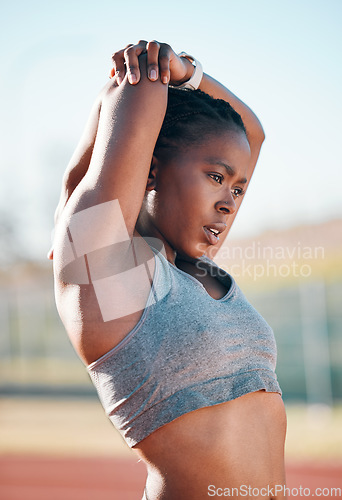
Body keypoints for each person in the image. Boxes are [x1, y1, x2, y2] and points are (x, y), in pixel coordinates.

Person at [50, 40, 287, 500]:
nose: (229, 203)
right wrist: (152, 70)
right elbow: (143, 91)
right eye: (216, 178)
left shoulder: (200, 271)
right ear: (151, 173)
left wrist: (191, 74)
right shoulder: (107, 273)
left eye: (238, 190)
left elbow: (250, 134)